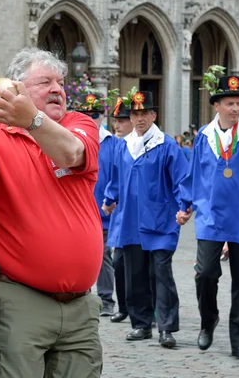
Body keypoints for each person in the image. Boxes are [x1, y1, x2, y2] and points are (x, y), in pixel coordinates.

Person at [0, 47, 103, 378]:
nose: (57, 89)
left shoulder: (78, 124)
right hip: (19, 296)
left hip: (80, 304)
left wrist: (33, 119)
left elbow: (71, 153)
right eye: (45, 82)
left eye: (61, 82)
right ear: (13, 87)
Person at [177, 75, 239, 361]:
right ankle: (209, 320)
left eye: (238, 103)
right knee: (205, 273)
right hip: (210, 217)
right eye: (229, 103)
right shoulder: (204, 136)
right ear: (216, 105)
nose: (235, 108)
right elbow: (193, 175)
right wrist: (185, 205)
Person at [103, 91, 188, 348]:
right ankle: (141, 324)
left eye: (144, 113)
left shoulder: (166, 145)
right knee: (134, 274)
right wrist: (109, 199)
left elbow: (181, 179)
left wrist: (184, 206)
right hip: (130, 219)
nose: (139, 119)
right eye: (135, 114)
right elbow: (116, 178)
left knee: (161, 272)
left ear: (154, 115)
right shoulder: (124, 145)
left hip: (161, 220)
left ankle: (166, 327)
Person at [73, 92, 117, 317]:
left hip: (104, 209)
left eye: (95, 115)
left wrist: (113, 200)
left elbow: (116, 176)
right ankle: (81, 296)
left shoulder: (112, 143)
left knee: (103, 256)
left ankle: (106, 298)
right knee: (79, 254)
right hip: (79, 208)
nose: (91, 119)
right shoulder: (74, 140)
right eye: (86, 114)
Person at [107, 98, 132, 324]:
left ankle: (149, 309)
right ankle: (124, 306)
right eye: (116, 121)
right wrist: (109, 198)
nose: (118, 125)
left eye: (122, 120)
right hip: (121, 215)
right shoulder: (119, 145)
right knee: (119, 262)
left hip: (144, 216)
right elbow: (115, 178)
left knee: (149, 265)